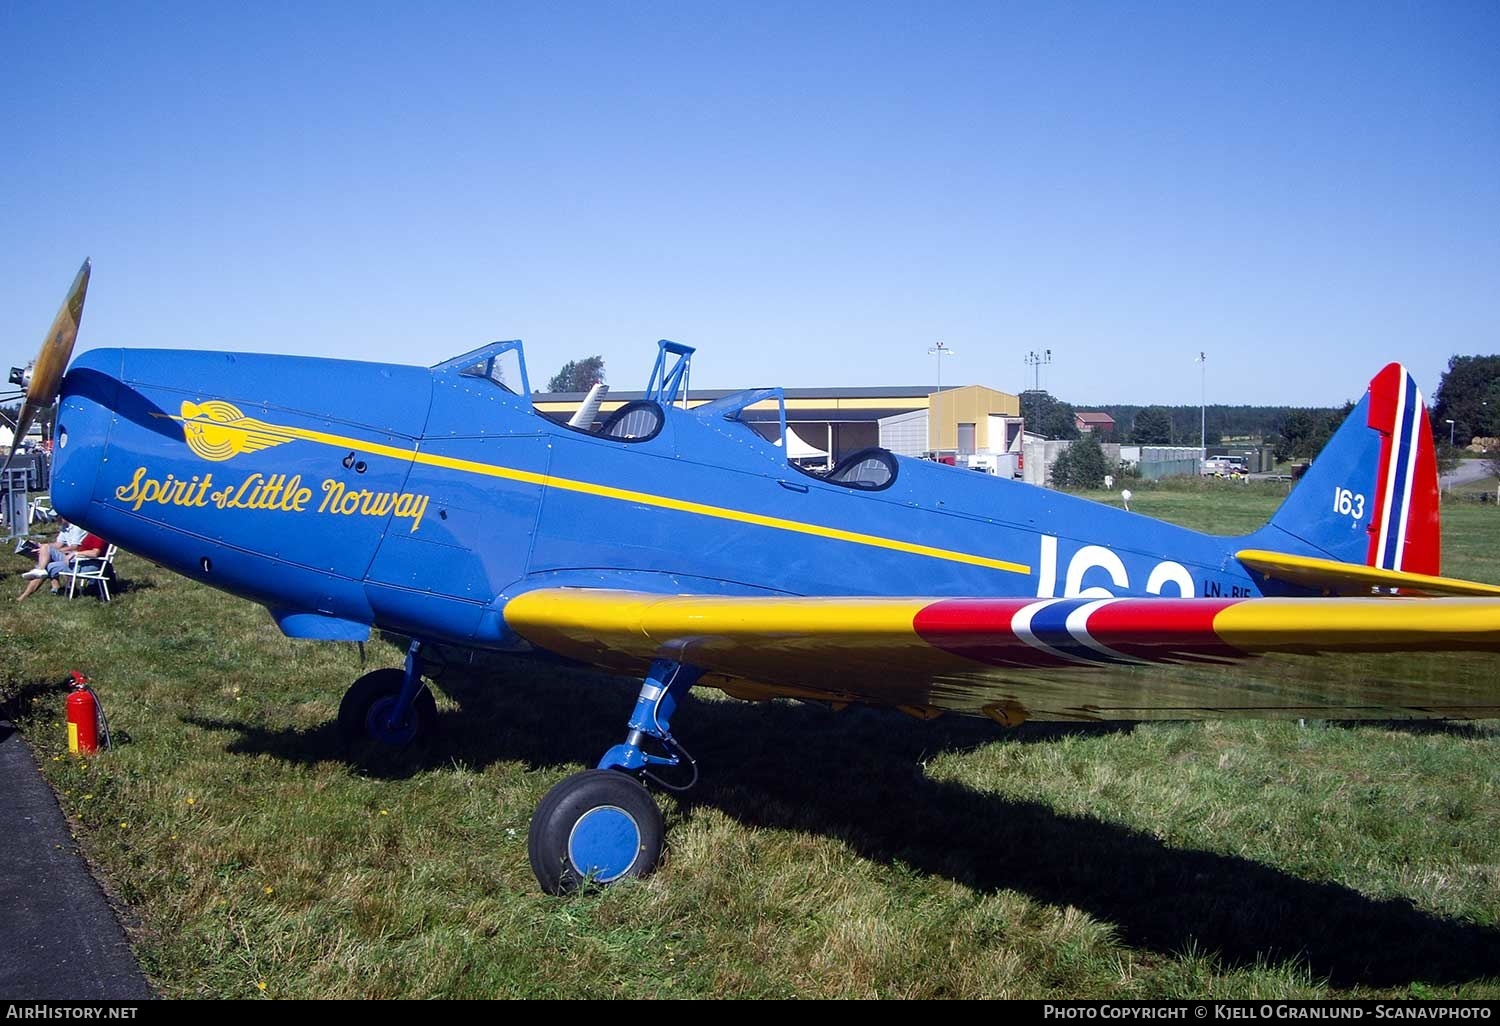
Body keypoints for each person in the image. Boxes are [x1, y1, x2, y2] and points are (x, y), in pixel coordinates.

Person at [18, 530, 109, 601]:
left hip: (87, 565)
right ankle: (40, 570)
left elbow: (95, 553)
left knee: (48, 566)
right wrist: (70, 553)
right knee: (45, 547)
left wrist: (75, 554)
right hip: (78, 561)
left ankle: (23, 596)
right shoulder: (92, 533)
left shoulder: (99, 534)